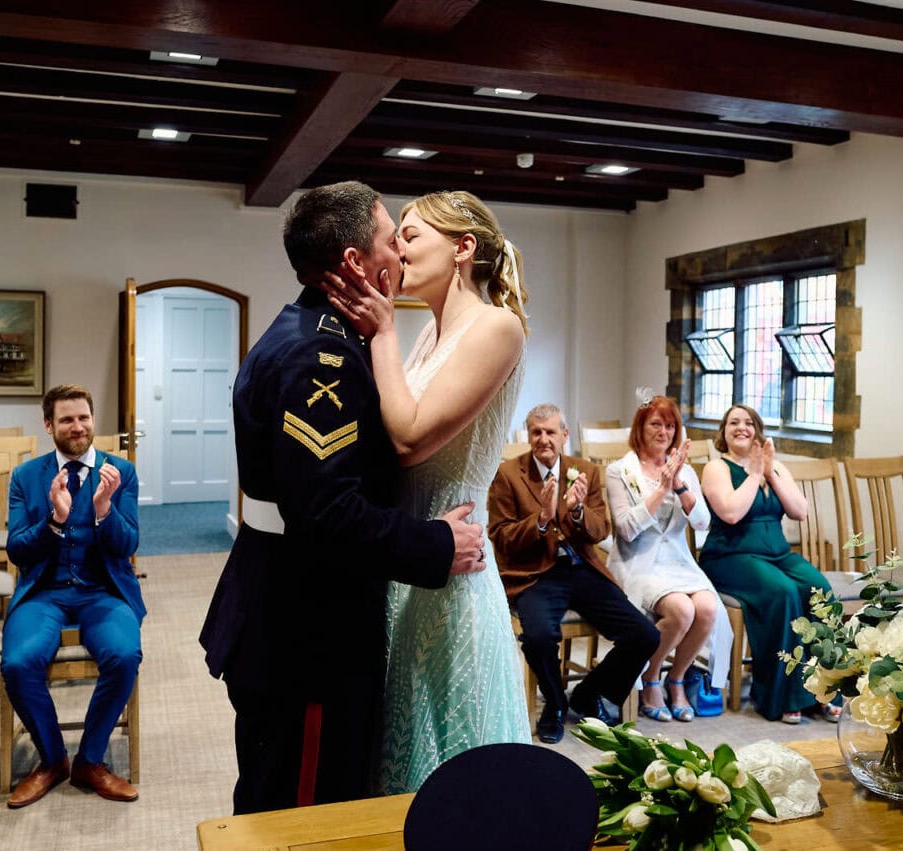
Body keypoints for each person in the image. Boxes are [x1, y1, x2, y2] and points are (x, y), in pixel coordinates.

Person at [200, 181, 487, 814]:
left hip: (293, 609)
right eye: (393, 240)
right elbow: (326, 512)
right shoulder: (320, 356)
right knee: (305, 812)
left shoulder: (317, 330)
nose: (402, 255)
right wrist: (437, 542)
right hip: (307, 632)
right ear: (356, 262)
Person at [323, 189, 531, 794]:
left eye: (410, 236)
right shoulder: (429, 332)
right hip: (408, 550)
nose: (398, 250)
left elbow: (411, 437)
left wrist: (383, 326)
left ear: (463, 248)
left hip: (453, 561)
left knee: (455, 758)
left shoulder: (497, 328)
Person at [1, 384, 144, 808]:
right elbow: (16, 549)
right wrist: (56, 520)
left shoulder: (122, 472)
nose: (77, 426)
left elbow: (127, 546)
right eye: (66, 419)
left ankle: (91, 760)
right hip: (45, 592)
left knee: (124, 656)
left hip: (104, 592)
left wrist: (104, 510)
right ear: (48, 425)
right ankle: (51, 759)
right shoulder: (27, 477)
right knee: (18, 663)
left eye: (84, 417)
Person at [488, 404, 660, 744]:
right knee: (538, 636)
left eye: (551, 432)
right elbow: (501, 537)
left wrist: (578, 511)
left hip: (581, 568)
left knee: (645, 635)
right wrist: (540, 519)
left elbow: (600, 531)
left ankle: (587, 694)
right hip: (534, 573)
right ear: (529, 436)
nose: (543, 439)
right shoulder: (508, 474)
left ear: (564, 435)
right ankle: (553, 704)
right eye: (536, 433)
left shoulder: (585, 471)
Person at [699, 404, 839, 724]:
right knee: (783, 592)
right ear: (723, 432)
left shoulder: (775, 466)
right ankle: (781, 697)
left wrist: (771, 471)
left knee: (821, 591)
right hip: (731, 557)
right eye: (733, 422)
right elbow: (731, 513)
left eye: (748, 423)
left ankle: (822, 691)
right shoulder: (716, 468)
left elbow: (799, 510)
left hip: (777, 554)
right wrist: (753, 475)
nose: (741, 428)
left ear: (758, 430)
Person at [604, 396, 731, 723]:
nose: (663, 431)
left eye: (670, 425)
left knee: (707, 608)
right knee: (682, 609)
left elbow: (703, 522)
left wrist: (679, 484)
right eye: (655, 424)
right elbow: (626, 530)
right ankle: (651, 678)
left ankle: (677, 678)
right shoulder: (619, 471)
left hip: (677, 561)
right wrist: (661, 488)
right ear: (640, 428)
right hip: (637, 560)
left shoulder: (684, 469)